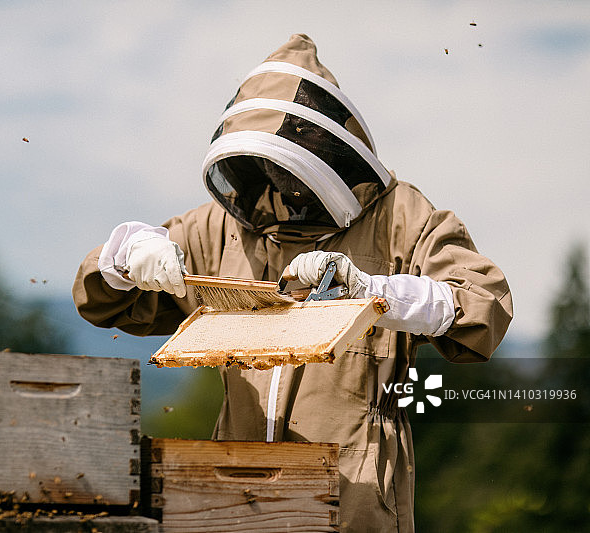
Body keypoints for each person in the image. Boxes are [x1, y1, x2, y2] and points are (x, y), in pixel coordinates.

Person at [73, 34, 512, 532]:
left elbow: (482, 305)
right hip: (234, 493)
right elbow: (100, 299)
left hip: (355, 497)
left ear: (327, 141)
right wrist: (127, 256)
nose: (280, 184)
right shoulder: (220, 227)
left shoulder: (401, 217)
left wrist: (373, 293)